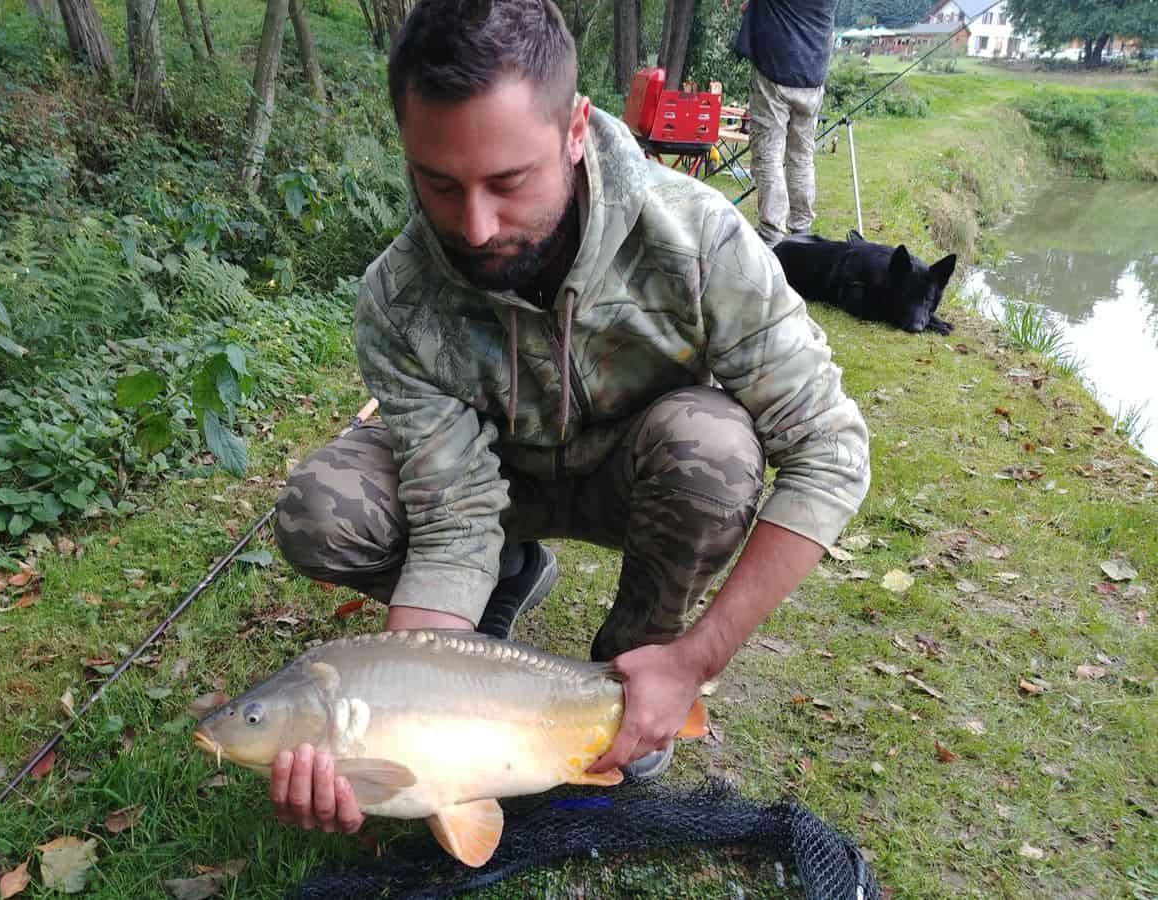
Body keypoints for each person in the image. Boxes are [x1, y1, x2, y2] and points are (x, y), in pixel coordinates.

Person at [267, 0, 869, 835]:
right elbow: (452, 515)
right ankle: (504, 597)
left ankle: (636, 673)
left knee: (716, 449)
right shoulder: (398, 298)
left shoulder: (696, 237)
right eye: (438, 184)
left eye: (508, 182)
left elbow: (832, 448)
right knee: (321, 509)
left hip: (644, 477)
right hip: (500, 493)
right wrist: (398, 723)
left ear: (576, 128)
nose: (473, 227)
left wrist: (698, 659)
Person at [735, 0, 840, 246]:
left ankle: (772, 234)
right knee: (802, 156)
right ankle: (802, 230)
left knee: (768, 155)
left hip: (776, 70)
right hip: (813, 76)